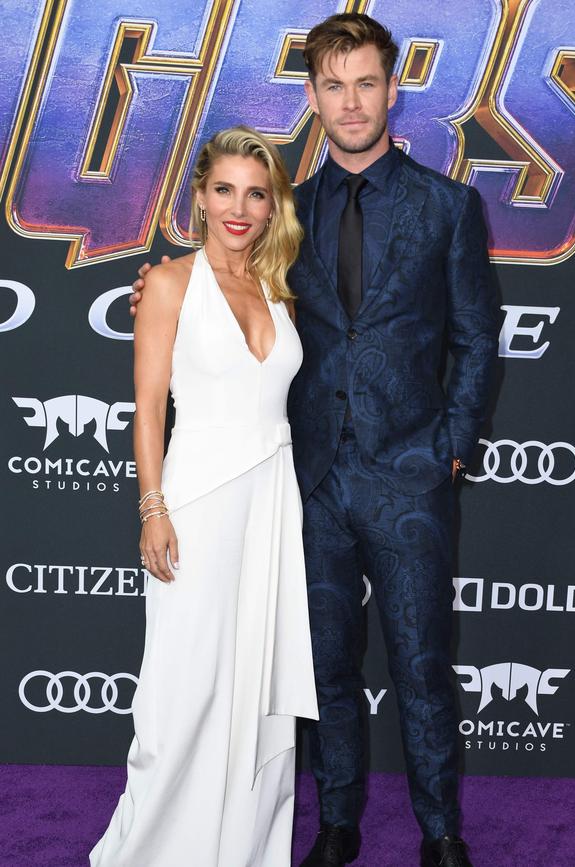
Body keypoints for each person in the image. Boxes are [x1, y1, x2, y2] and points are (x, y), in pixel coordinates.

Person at [131, 14, 498, 867]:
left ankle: (442, 833)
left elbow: (478, 338)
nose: (351, 101)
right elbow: (213, 281)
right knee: (321, 666)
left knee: (420, 662)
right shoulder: (285, 212)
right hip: (309, 481)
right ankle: (338, 823)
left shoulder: (448, 206)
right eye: (333, 85)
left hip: (410, 474)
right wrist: (158, 279)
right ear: (313, 97)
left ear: (391, 88)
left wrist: (448, 442)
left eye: (366, 82)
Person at [90, 126, 318, 867]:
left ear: (272, 201)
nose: (239, 207)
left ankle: (246, 851)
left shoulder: (280, 285)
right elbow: (149, 406)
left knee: (261, 699)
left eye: (256, 192)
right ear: (200, 196)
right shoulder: (166, 284)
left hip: (271, 507)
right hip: (196, 501)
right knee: (181, 693)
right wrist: (151, 508)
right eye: (224, 189)